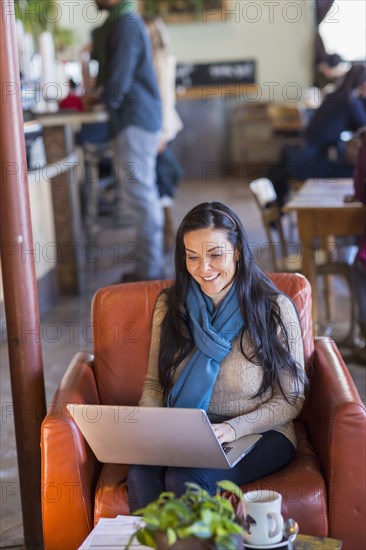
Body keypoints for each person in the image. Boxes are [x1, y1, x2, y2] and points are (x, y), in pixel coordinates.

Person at [126, 201, 306, 510]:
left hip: (259, 431)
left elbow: (291, 400)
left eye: (215, 255)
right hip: (186, 429)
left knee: (185, 480)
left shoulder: (274, 309)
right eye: (192, 257)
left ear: (237, 251)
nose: (203, 269)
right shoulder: (170, 305)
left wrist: (234, 428)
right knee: (141, 474)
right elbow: (155, 384)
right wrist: (152, 427)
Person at [88, 0, 164, 281]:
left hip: (135, 120)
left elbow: (119, 79)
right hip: (136, 119)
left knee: (141, 196)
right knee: (142, 194)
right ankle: (149, 266)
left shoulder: (125, 25)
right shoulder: (124, 23)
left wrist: (102, 100)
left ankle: (150, 270)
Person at [275, 64, 366, 206]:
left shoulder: (336, 96)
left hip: (300, 158)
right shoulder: (349, 101)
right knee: (356, 172)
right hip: (309, 164)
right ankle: (342, 216)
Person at [144, 15, 184, 251]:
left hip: (161, 126)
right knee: (159, 180)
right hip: (163, 125)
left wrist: (160, 133)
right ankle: (167, 231)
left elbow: (164, 98)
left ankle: (167, 232)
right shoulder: (160, 58)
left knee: (158, 180)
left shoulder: (158, 60)